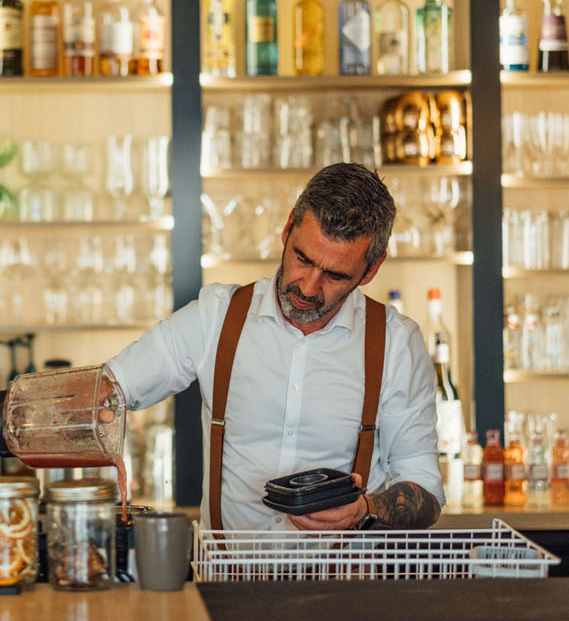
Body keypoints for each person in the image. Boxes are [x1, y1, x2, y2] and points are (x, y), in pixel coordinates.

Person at [107, 162, 442, 531]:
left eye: (335, 275)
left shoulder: (396, 344)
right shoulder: (216, 317)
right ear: (287, 229)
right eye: (303, 258)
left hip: (344, 570)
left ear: (371, 269)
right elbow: (110, 387)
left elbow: (424, 487)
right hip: (228, 568)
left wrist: (365, 509)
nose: (309, 287)